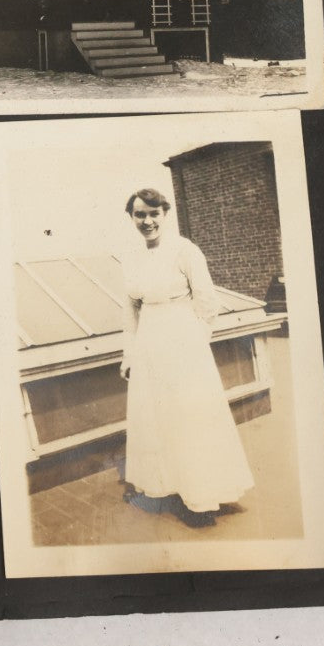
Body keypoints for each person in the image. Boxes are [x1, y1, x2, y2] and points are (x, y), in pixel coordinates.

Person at [119, 188, 254, 526]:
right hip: (148, 345)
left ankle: (202, 499)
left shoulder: (185, 251)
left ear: (166, 213)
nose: (147, 221)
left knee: (190, 416)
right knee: (157, 417)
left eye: (153, 213)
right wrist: (129, 355)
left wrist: (193, 343)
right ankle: (167, 486)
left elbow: (207, 303)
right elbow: (130, 310)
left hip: (183, 344)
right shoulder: (132, 258)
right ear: (132, 218)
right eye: (140, 215)